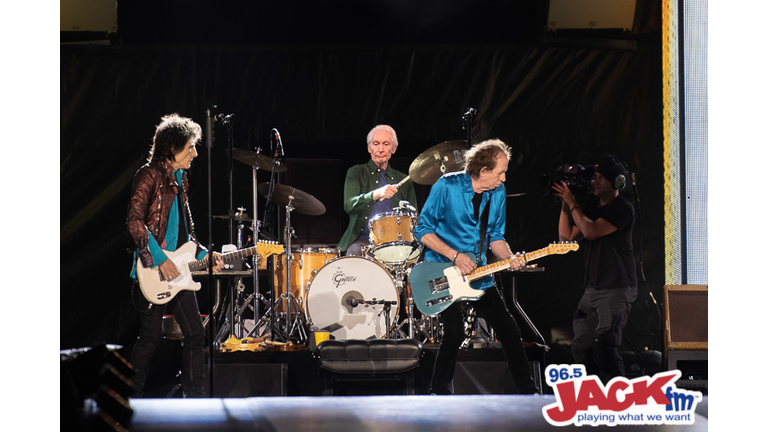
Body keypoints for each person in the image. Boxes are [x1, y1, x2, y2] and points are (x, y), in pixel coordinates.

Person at [413, 139, 537, 395]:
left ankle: (529, 393)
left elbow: (495, 236)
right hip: (441, 272)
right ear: (483, 170)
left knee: (510, 330)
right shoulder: (446, 185)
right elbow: (422, 230)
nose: (504, 178)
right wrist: (455, 255)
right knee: (455, 332)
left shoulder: (497, 192)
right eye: (500, 172)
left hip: (478, 275)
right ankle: (438, 391)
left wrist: (510, 258)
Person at [126, 113, 224, 398]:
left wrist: (205, 254)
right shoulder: (148, 175)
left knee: (195, 333)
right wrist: (161, 260)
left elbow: (185, 233)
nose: (195, 153)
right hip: (152, 268)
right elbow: (135, 222)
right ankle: (127, 396)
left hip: (178, 269)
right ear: (172, 148)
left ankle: (195, 398)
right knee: (150, 337)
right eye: (190, 147)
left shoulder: (181, 179)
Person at [552, 155, 638, 383]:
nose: (594, 182)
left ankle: (618, 396)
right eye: (595, 177)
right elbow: (565, 239)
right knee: (581, 346)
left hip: (617, 287)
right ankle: (593, 391)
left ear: (616, 182)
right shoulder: (590, 208)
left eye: (601, 178)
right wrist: (565, 205)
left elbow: (591, 232)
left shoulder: (622, 209)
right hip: (593, 290)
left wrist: (573, 204)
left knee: (605, 346)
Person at [338, 124, 418, 256]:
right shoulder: (356, 172)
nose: (380, 149)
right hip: (363, 240)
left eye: (386, 144)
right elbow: (349, 205)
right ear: (369, 148)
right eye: (376, 144)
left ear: (394, 149)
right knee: (354, 251)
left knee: (414, 254)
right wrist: (376, 194)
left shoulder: (404, 179)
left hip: (396, 241)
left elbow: (413, 217)